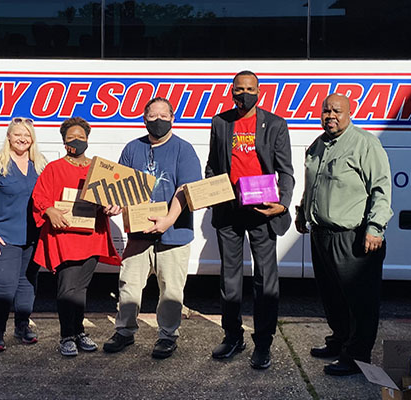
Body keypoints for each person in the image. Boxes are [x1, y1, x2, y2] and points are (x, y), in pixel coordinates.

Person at [295, 93, 393, 376]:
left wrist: (375, 228)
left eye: (337, 111)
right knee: (332, 297)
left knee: (359, 300)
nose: (330, 116)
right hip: (322, 235)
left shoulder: (365, 143)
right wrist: (303, 213)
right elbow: (311, 186)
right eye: (326, 111)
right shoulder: (317, 145)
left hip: (353, 237)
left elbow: (381, 189)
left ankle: (357, 356)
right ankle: (339, 342)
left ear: (349, 112)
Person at [205, 71, 295, 369]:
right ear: (231, 92)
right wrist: (211, 192)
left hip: (262, 210)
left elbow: (286, 172)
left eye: (250, 89)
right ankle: (233, 336)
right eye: (240, 89)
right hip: (229, 210)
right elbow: (212, 166)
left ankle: (264, 342)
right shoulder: (220, 122)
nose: (245, 94)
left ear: (260, 91)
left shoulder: (276, 124)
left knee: (265, 280)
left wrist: (281, 205)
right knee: (229, 278)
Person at [103, 98, 202, 359]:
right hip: (138, 232)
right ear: (144, 118)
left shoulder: (184, 149)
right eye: (152, 116)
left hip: (174, 233)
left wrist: (168, 219)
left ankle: (167, 336)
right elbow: (119, 185)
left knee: (170, 289)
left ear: (172, 118)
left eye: (163, 115)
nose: (157, 120)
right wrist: (115, 204)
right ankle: (124, 331)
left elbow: (186, 190)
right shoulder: (132, 148)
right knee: (129, 284)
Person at [31, 117, 122, 357]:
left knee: (80, 289)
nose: (76, 141)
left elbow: (112, 198)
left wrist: (111, 206)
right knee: (66, 290)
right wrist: (49, 210)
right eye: (71, 137)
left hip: (91, 236)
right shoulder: (54, 168)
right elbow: (39, 198)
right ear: (64, 141)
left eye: (81, 137)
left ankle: (79, 331)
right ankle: (66, 335)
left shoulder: (98, 169)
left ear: (88, 140)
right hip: (64, 237)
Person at [0, 117, 48, 352]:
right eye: (17, 134)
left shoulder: (40, 164)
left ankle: (22, 326)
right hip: (3, 235)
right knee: (5, 285)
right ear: (8, 136)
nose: (22, 139)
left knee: (27, 283)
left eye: (27, 135)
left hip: (32, 235)